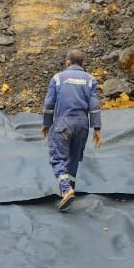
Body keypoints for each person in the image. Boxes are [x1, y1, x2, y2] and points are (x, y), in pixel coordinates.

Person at [42, 49, 102, 210]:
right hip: (82, 125)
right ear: (83, 63)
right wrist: (97, 128)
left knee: (58, 157)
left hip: (63, 123)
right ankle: (69, 191)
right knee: (74, 158)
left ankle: (66, 189)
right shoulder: (90, 80)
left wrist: (46, 123)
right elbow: (94, 106)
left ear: (67, 62)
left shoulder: (58, 78)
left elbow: (49, 103)